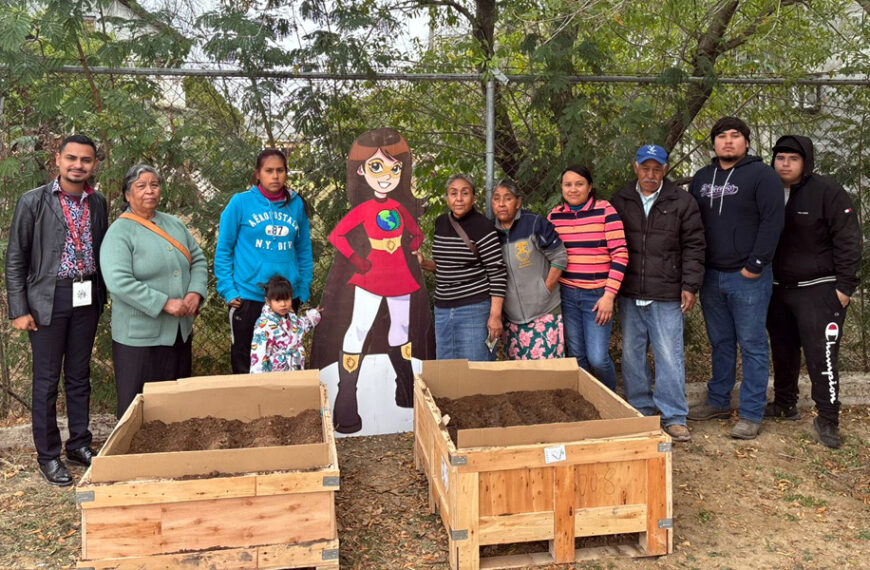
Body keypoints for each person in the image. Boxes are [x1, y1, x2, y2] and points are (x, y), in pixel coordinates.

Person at [312, 129, 433, 434]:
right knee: (359, 327)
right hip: (370, 275)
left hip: (400, 275)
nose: (385, 175)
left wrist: (413, 245)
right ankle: (347, 397)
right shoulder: (364, 209)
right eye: (376, 167)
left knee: (401, 329)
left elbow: (414, 231)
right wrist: (357, 259)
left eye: (393, 168)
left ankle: (405, 389)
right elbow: (336, 236)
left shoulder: (399, 208)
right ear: (361, 171)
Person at [5, 134, 108, 486]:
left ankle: (78, 443)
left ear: (94, 164)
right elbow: (16, 257)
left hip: (85, 298)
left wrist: (100, 297)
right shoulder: (33, 201)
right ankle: (47, 455)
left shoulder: (99, 203)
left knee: (79, 377)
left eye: (86, 160)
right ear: (58, 160)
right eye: (72, 158)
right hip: (47, 300)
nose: (78, 165)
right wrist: (19, 308)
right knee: (47, 381)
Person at [687, 117, 784, 440]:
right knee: (721, 342)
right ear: (713, 143)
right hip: (711, 277)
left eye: (735, 136)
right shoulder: (701, 178)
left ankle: (752, 412)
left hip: (748, 278)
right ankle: (718, 400)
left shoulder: (762, 175)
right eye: (721, 136)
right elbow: (692, 227)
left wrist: (755, 265)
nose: (728, 141)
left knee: (753, 345)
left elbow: (772, 222)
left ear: (746, 141)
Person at [765, 135, 862, 448]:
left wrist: (844, 288)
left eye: (793, 159)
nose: (786, 164)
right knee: (782, 350)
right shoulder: (767, 190)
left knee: (821, 357)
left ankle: (828, 417)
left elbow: (848, 240)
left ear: (805, 162)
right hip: (777, 289)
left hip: (819, 291)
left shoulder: (828, 193)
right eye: (780, 158)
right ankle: (784, 403)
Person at [611, 145, 706, 443]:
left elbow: (694, 245)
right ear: (635, 167)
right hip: (630, 291)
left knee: (669, 355)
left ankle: (674, 415)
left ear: (665, 169)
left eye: (656, 168)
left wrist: (690, 285)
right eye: (645, 168)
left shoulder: (682, 201)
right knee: (632, 354)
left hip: (666, 292)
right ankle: (640, 409)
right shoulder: (621, 200)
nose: (650, 174)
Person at [100, 164, 208, 418]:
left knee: (175, 406)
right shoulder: (119, 233)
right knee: (139, 410)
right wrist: (164, 303)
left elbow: (199, 260)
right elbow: (118, 281)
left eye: (154, 185)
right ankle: (134, 457)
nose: (149, 191)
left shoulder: (174, 225)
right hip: (140, 340)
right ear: (127, 194)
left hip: (179, 333)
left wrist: (195, 293)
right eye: (141, 186)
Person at [215, 149, 313, 374]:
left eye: (280, 170)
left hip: (285, 298)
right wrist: (228, 290)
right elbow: (223, 251)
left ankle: (281, 408)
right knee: (247, 360)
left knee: (285, 358)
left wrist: (302, 288)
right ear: (258, 174)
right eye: (269, 171)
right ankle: (247, 409)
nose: (275, 176)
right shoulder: (240, 203)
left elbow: (304, 250)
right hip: (248, 297)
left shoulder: (296, 204)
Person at [547, 166, 627, 390]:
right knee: (577, 356)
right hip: (567, 294)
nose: (573, 189)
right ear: (562, 188)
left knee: (598, 358)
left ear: (590, 187)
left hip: (597, 297)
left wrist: (609, 296)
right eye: (568, 184)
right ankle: (586, 402)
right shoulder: (555, 216)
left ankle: (612, 402)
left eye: (579, 184)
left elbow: (620, 254)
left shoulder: (605, 211)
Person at [416, 174, 507, 361]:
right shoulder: (441, 223)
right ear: (447, 198)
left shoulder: (483, 226)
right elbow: (444, 265)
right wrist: (424, 263)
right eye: (453, 193)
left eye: (465, 193)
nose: (458, 199)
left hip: (474, 309)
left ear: (473, 198)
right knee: (448, 372)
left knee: (476, 371)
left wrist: (495, 316)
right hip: (442, 310)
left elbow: (497, 272)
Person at [491, 178, 567, 360]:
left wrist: (545, 289)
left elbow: (560, 256)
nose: (501, 204)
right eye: (496, 198)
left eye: (508, 198)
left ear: (518, 202)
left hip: (544, 313)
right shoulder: (490, 232)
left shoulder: (534, 223)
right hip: (512, 320)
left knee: (548, 376)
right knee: (521, 378)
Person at [250, 275, 322, 373]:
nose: (283, 304)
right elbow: (258, 353)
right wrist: (258, 381)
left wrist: (313, 315)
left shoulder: (291, 317)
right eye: (278, 300)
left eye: (287, 299)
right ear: (268, 301)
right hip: (274, 375)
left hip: (294, 367)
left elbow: (300, 326)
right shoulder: (263, 325)